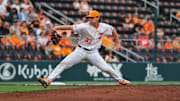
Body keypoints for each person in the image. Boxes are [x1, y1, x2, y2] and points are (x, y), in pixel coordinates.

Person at [38, 10, 131, 88]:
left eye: (92, 17)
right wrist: (56, 28)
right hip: (80, 51)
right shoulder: (84, 26)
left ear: (98, 18)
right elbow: (70, 27)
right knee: (64, 63)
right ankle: (48, 80)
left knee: (106, 68)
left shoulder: (104, 27)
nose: (90, 19)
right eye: (89, 17)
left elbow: (113, 30)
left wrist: (118, 42)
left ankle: (121, 80)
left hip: (93, 53)